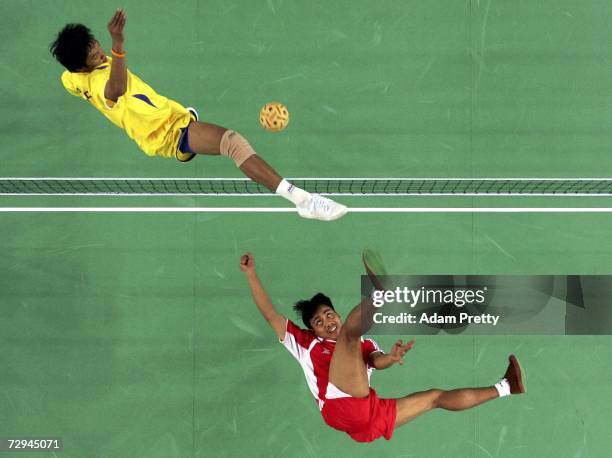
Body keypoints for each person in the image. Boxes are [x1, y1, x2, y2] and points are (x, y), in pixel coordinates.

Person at [50, 9, 347, 221]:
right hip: (167, 132)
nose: (100, 54)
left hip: (169, 115)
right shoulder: (99, 80)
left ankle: (188, 121)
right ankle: (302, 200)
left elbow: (76, 77)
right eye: (93, 56)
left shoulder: (70, 79)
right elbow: (116, 88)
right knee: (232, 142)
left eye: (97, 46)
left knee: (222, 137)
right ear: (82, 67)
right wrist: (117, 45)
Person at [240, 252, 526, 442]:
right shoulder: (305, 343)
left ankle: (505, 387)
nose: (327, 322)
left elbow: (375, 361)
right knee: (349, 337)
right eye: (318, 321)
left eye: (329, 314)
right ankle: (380, 295)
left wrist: (390, 357)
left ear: (336, 314)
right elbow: (271, 315)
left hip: (365, 415)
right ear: (311, 329)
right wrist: (251, 273)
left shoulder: (365, 342)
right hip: (339, 405)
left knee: (435, 397)